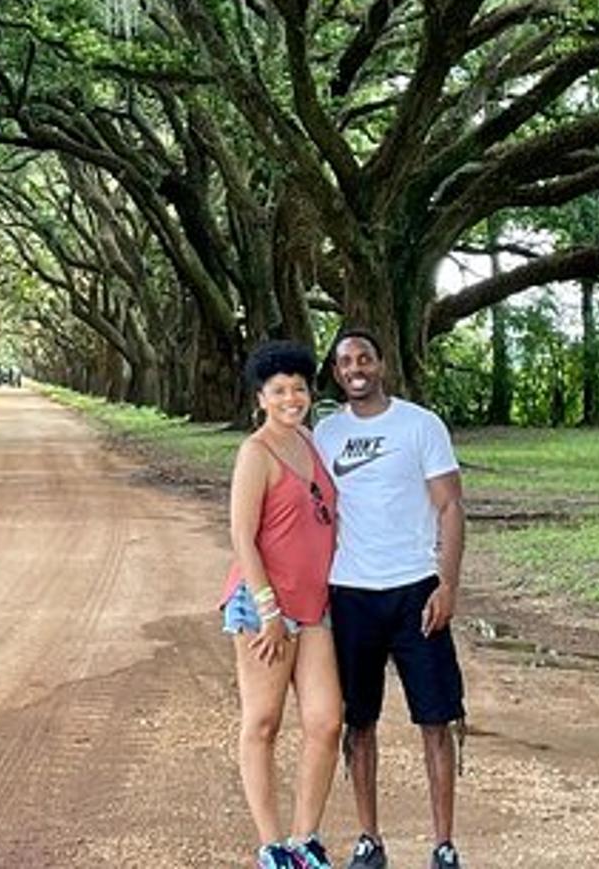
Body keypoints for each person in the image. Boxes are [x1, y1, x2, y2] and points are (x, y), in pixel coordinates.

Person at [311, 325, 468, 869]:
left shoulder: (420, 425)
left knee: (436, 718)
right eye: (345, 362)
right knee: (359, 722)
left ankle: (443, 844)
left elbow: (450, 507)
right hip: (351, 593)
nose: (356, 369)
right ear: (337, 373)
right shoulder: (325, 434)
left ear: (381, 364)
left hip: (415, 590)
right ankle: (369, 839)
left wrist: (447, 584)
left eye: (365, 359)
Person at [221, 340, 344, 869]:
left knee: (326, 722)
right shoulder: (257, 453)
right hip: (264, 605)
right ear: (260, 398)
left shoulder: (310, 442)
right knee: (264, 722)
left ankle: (304, 839)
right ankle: (272, 846)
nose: (291, 398)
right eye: (278, 390)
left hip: (315, 605)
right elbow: (242, 537)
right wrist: (269, 611)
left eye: (298, 388)